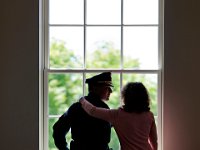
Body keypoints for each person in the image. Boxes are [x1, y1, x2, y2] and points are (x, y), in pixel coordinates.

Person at [80, 82, 158, 150]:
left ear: (125, 97)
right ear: (144, 98)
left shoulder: (117, 115)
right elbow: (154, 141)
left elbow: (92, 111)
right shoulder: (149, 115)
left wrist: (82, 100)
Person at [52, 72, 114, 150]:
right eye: (107, 87)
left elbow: (58, 130)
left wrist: (64, 148)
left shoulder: (76, 107)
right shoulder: (104, 109)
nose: (111, 91)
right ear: (95, 88)